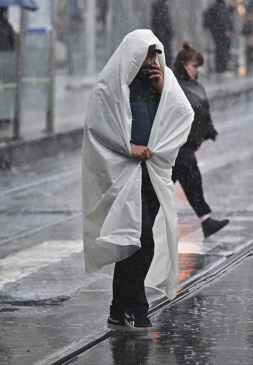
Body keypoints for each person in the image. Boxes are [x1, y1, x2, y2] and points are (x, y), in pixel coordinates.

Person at [82, 30, 193, 332]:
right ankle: (137, 308)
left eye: (154, 55)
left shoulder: (162, 83)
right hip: (123, 175)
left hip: (152, 175)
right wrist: (126, 147)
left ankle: (118, 309)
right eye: (144, 55)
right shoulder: (113, 85)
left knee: (131, 242)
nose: (150, 62)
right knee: (141, 238)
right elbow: (97, 125)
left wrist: (162, 89)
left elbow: (184, 114)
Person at [172, 41, 229, 237]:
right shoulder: (172, 86)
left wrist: (209, 130)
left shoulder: (194, 85)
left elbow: (202, 110)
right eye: (194, 66)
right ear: (183, 65)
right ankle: (206, 220)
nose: (197, 70)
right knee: (190, 180)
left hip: (187, 144)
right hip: (178, 145)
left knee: (185, 183)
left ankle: (206, 221)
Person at [203, 0, 235, 74]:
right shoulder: (221, 6)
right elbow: (223, 19)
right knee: (223, 49)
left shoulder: (220, 6)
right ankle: (222, 68)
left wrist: (231, 8)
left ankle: (221, 67)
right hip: (220, 32)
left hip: (217, 31)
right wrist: (226, 30)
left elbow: (225, 17)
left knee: (221, 48)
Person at [151, 0, 175, 65]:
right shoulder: (163, 10)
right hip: (164, 38)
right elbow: (165, 23)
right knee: (166, 57)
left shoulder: (157, 10)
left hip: (160, 37)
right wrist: (169, 34)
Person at [241, 0, 253, 73]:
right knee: (250, 49)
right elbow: (245, 21)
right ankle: (250, 62)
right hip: (251, 35)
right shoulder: (248, 14)